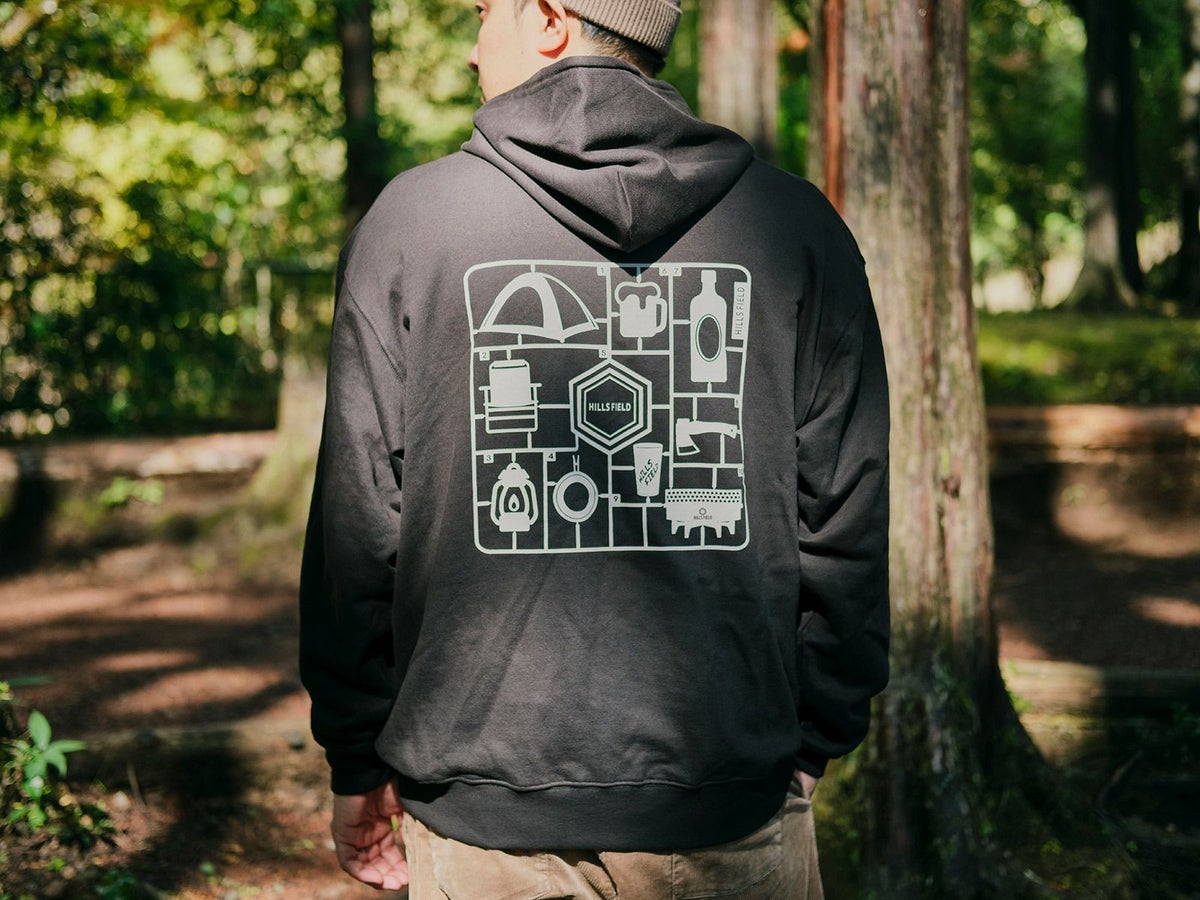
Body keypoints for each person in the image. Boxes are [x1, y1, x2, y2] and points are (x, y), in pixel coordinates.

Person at [298, 0, 890, 896]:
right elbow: (848, 513)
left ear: (548, 18)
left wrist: (355, 754)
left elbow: (356, 523)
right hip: (727, 804)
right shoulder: (796, 227)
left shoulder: (414, 225)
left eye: (483, 12)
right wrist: (815, 737)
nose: (471, 48)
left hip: (483, 822)